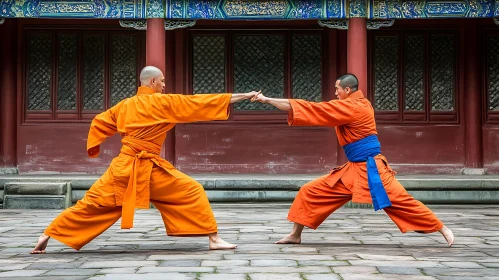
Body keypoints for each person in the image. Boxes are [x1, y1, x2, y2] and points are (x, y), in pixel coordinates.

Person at [31, 66, 260, 254]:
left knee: (93, 203)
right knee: (192, 190)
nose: (163, 85)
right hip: (146, 169)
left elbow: (100, 122)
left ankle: (48, 233)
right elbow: (200, 102)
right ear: (151, 83)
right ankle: (214, 239)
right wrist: (243, 96)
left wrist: (95, 146)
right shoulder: (163, 103)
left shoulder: (124, 105)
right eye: (161, 81)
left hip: (125, 167)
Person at [253, 73, 455, 247]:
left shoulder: (353, 107)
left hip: (371, 169)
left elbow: (313, 109)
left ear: (347, 89)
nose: (335, 93)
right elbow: (317, 109)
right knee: (310, 191)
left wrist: (268, 100)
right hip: (351, 170)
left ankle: (441, 227)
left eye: (337, 89)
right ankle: (295, 235)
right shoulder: (356, 104)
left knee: (400, 200)